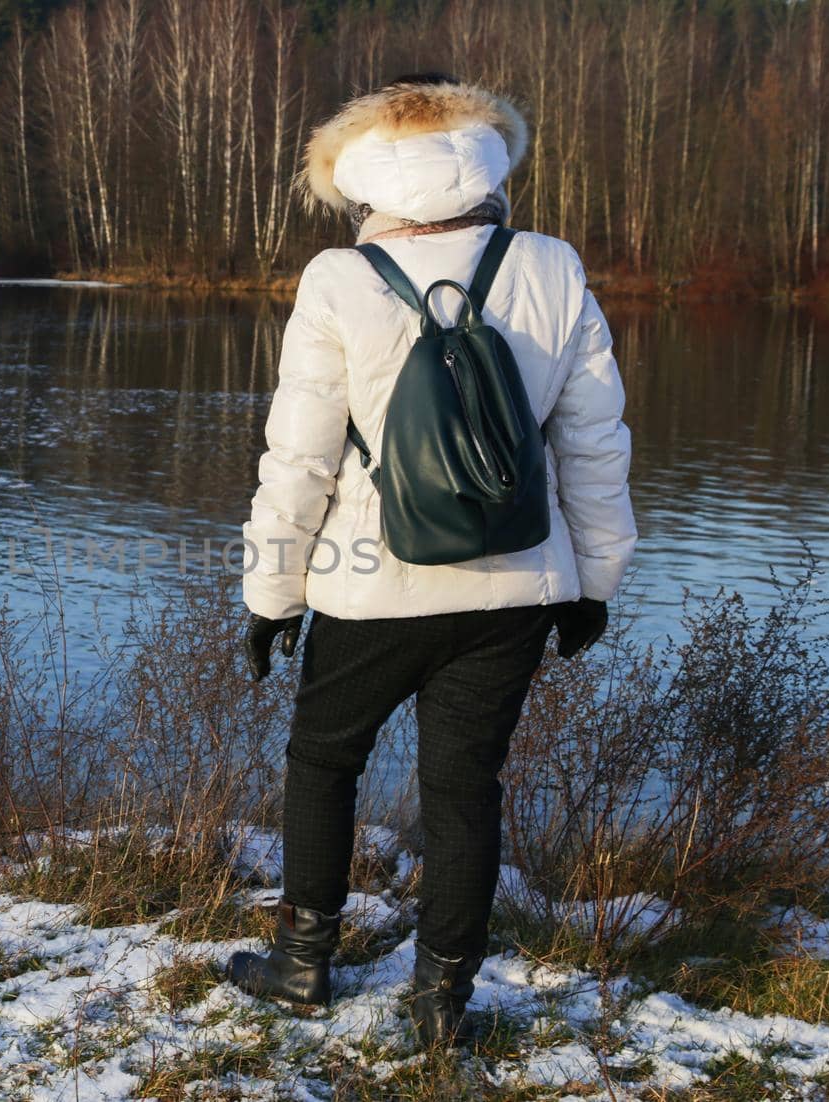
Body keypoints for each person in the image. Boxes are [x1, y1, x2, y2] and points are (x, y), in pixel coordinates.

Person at [228, 73, 637, 1048]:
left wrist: (273, 592)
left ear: (362, 179)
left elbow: (301, 458)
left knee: (323, 760)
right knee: (464, 790)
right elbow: (593, 443)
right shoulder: (547, 265)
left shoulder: (338, 279)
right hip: (516, 584)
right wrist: (594, 581)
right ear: (487, 161)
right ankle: (440, 1005)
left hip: (372, 588)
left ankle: (300, 961)